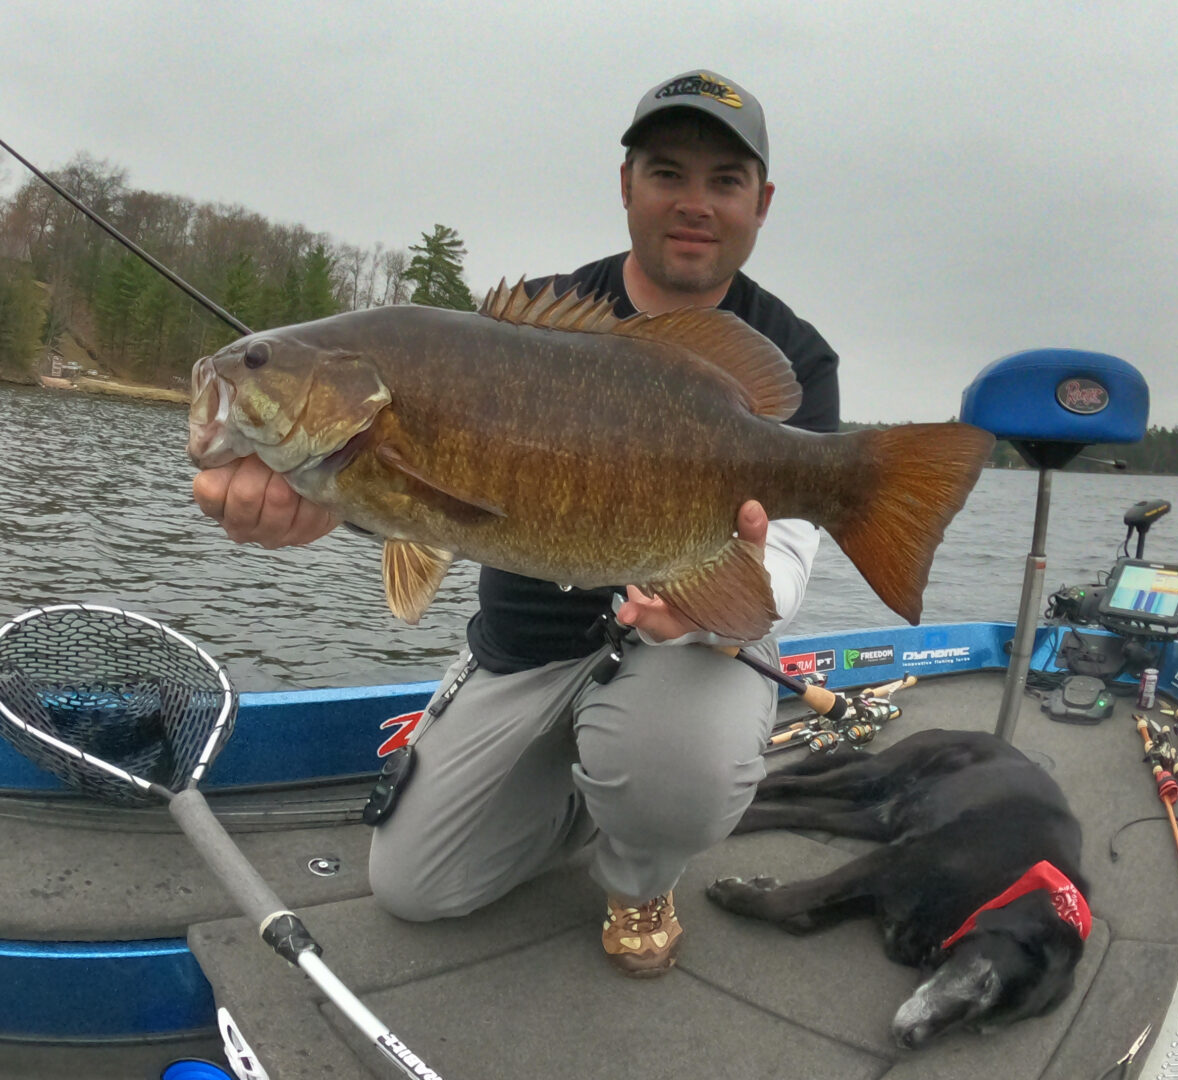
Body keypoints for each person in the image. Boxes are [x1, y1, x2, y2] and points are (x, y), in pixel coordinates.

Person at [192, 69, 840, 977]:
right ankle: (586, 790)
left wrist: (703, 605)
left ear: (761, 202)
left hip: (680, 666)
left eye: (724, 181)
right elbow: (424, 505)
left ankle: (640, 864)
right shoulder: (539, 323)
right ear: (626, 185)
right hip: (523, 650)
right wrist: (318, 509)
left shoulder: (791, 353)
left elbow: (789, 557)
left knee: (674, 765)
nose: (694, 203)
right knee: (415, 888)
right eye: (666, 173)